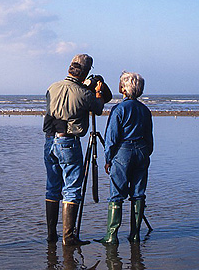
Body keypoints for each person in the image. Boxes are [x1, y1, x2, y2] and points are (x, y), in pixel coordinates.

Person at [44, 54, 112, 246]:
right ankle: (68, 237)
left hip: (49, 140)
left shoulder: (52, 87)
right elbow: (98, 108)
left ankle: (51, 234)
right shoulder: (84, 94)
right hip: (68, 141)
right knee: (72, 188)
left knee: (52, 188)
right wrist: (97, 92)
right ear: (86, 72)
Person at [95, 71, 153, 244]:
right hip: (142, 150)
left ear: (124, 89)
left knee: (116, 194)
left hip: (123, 151)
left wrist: (108, 159)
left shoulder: (119, 109)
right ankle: (135, 234)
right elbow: (149, 137)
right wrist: (147, 152)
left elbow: (111, 137)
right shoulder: (145, 110)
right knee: (138, 193)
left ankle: (112, 235)